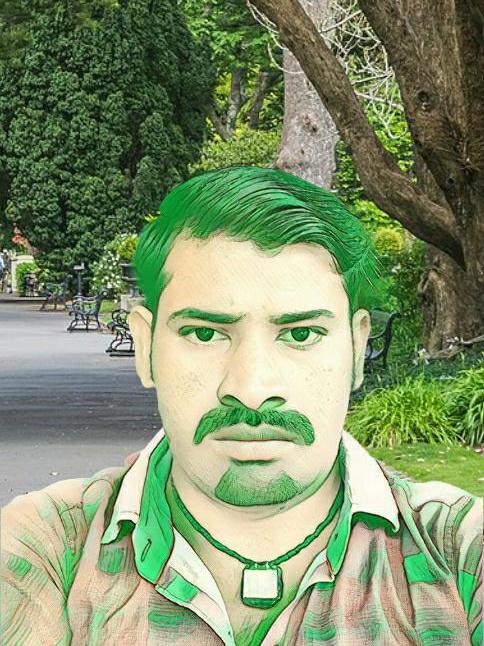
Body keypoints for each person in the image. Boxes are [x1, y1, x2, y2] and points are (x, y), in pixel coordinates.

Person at [1, 167, 481, 645]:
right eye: (204, 333)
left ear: (357, 351)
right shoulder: (42, 549)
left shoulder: (462, 551)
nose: (251, 389)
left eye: (300, 334)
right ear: (145, 349)